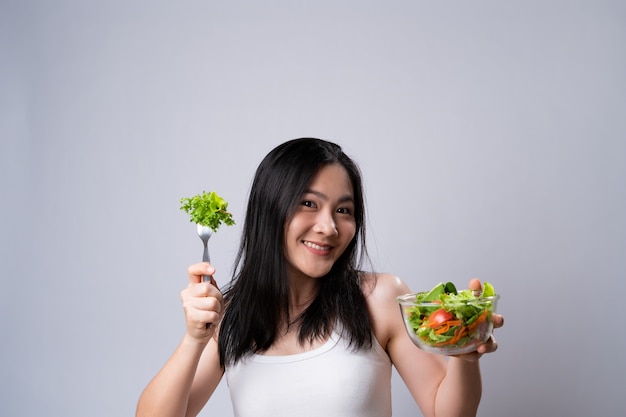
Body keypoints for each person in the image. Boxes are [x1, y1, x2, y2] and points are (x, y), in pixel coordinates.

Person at [136, 137, 504, 417]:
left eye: (343, 209)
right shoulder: (230, 316)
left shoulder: (380, 297)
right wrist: (192, 339)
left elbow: (447, 412)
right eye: (309, 203)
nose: (328, 227)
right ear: (271, 210)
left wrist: (465, 356)